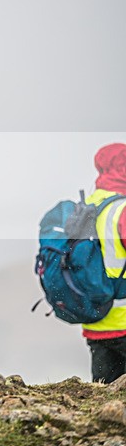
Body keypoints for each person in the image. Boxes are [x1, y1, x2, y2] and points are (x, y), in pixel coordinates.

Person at [82, 143, 126, 383]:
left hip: (96, 322)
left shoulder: (89, 206)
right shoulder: (122, 209)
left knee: (105, 394)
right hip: (123, 322)